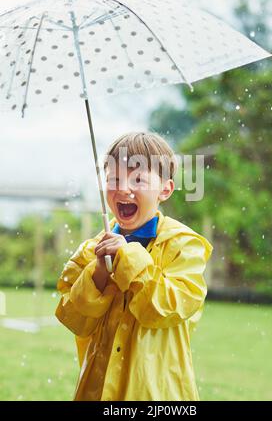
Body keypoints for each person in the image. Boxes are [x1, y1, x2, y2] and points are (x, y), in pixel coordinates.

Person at [55, 131, 213, 401]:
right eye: (114, 178)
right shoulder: (91, 250)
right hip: (99, 390)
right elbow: (75, 319)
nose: (123, 188)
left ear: (165, 189)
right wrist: (98, 275)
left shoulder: (184, 246)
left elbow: (169, 307)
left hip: (156, 393)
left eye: (138, 179)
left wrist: (128, 258)